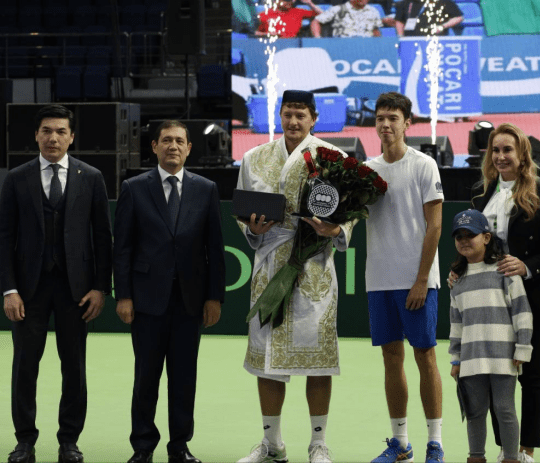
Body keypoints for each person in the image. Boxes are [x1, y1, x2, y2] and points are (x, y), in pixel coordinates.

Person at [235, 90, 356, 463]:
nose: (293, 121)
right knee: (267, 359)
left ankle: (318, 442)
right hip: (270, 264)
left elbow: (350, 214)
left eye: (300, 115)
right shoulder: (254, 158)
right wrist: (254, 228)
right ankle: (272, 444)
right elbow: (243, 213)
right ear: (279, 114)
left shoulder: (333, 159)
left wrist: (335, 231)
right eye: (287, 114)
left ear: (314, 118)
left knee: (317, 360)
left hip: (313, 270)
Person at [0, 104, 112, 463]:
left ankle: (69, 441)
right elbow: (4, 238)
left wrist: (99, 287)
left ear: (72, 137)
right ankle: (24, 442)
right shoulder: (16, 178)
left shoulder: (91, 176)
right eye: (46, 130)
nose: (53, 137)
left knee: (74, 367)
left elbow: (102, 238)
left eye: (61, 131)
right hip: (27, 292)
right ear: (36, 135)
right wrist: (9, 289)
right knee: (24, 367)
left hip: (76, 292)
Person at [113, 120, 226, 463]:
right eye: (166, 140)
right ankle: (143, 447)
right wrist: (124, 295)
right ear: (154, 147)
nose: (172, 146)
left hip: (190, 302)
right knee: (145, 378)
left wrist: (214, 297)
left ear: (189, 148)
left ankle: (180, 446)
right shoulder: (134, 188)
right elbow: (123, 249)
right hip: (146, 301)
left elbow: (215, 249)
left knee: (183, 379)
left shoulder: (206, 189)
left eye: (179, 141)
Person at [468, 122, 540, 463]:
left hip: (531, 300)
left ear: (522, 154)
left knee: (531, 377)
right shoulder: (480, 195)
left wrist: (526, 267)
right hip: (489, 303)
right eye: (495, 150)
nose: (500, 156)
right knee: (496, 378)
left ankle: (526, 450)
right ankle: (505, 449)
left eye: (507, 150)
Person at [365, 91, 445, 463]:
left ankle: (435, 442)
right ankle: (401, 443)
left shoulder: (424, 165)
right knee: (391, 358)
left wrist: (420, 279)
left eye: (393, 118)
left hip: (418, 282)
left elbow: (435, 227)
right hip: (379, 280)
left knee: (425, 355)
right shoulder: (365, 170)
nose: (385, 124)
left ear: (406, 123)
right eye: (380, 118)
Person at [448, 209, 532, 463]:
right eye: (458, 236)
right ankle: (476, 457)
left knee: (505, 410)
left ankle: (510, 458)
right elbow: (456, 324)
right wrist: (456, 359)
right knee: (474, 413)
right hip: (471, 360)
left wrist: (522, 348)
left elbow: (522, 311)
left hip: (503, 357)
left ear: (486, 237)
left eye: (470, 235)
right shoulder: (457, 280)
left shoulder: (504, 271)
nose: (464, 240)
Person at [310, 0, 383, 37]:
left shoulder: (373, 11)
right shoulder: (338, 9)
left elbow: (375, 30)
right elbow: (316, 21)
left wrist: (379, 44)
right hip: (343, 45)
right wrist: (318, 39)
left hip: (367, 45)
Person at [256, 0, 324, 38]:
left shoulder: (298, 12)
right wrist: (266, 34)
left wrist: (309, 3)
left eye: (290, 0)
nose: (289, 2)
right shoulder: (263, 14)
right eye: (286, 0)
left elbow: (324, 16)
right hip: (272, 43)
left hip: (294, 43)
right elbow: (253, 33)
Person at [394, 0, 463, 37]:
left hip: (435, 39)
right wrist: (401, 36)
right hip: (411, 40)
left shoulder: (443, 1)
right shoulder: (406, 2)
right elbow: (399, 21)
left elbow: (458, 17)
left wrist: (442, 27)